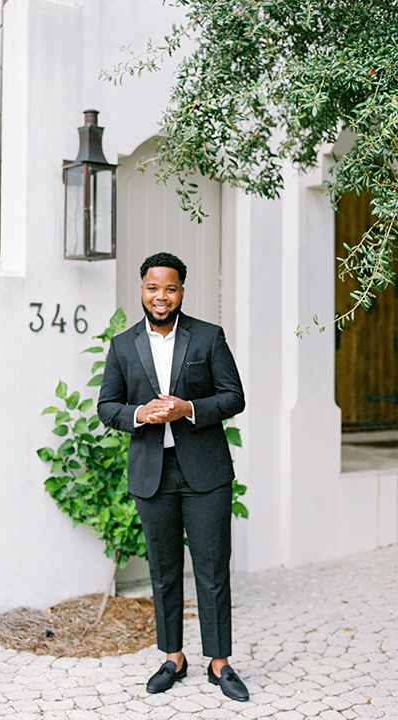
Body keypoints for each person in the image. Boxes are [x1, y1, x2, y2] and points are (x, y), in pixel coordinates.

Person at [97, 252, 248, 701]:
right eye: (152, 288)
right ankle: (173, 657)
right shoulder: (123, 345)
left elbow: (234, 397)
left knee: (212, 569)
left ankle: (219, 663)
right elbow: (107, 406)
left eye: (170, 288)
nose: (161, 297)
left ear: (182, 290)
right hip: (152, 474)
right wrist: (141, 413)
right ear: (141, 289)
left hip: (206, 472)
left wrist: (189, 409)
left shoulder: (208, 337)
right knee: (163, 572)